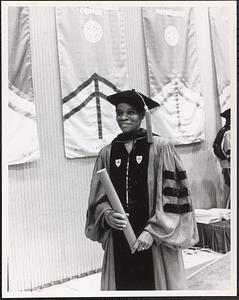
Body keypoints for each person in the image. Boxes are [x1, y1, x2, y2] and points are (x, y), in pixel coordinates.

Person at [85, 89, 199, 290]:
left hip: (155, 242)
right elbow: (98, 199)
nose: (123, 117)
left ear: (142, 115)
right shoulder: (108, 152)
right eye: (119, 112)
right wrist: (107, 214)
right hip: (119, 238)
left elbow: (174, 198)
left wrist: (152, 231)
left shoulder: (161, 148)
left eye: (131, 112)